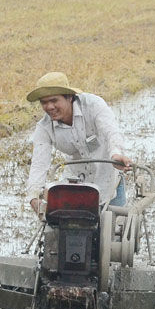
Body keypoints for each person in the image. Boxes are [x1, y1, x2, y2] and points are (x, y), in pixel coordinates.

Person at [23, 71, 133, 214]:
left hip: (108, 182)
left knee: (114, 229)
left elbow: (111, 132)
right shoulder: (44, 128)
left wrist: (116, 154)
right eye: (44, 102)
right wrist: (33, 196)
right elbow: (39, 163)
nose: (49, 107)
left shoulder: (93, 106)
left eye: (54, 100)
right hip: (76, 187)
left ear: (69, 97)